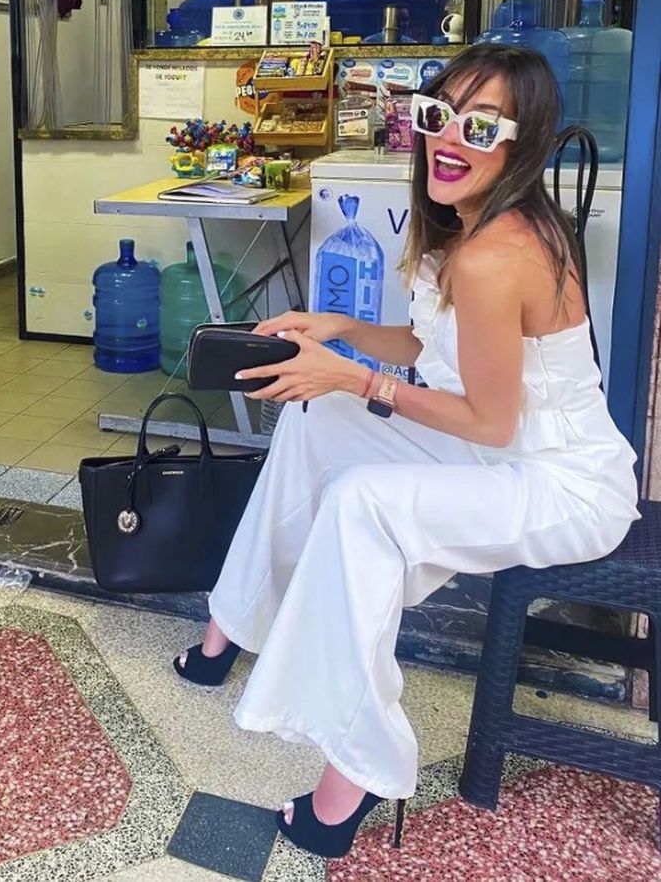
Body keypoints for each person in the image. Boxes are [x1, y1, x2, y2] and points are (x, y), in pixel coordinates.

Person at [172, 43, 640, 860]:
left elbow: (489, 421)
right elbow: (435, 348)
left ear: (522, 143)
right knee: (313, 417)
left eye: (481, 126)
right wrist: (344, 332)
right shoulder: (467, 229)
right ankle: (233, 625)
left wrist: (357, 379)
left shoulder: (499, 254)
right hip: (492, 452)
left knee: (364, 504)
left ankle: (354, 774)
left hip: (559, 484)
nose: (450, 139)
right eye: (438, 116)